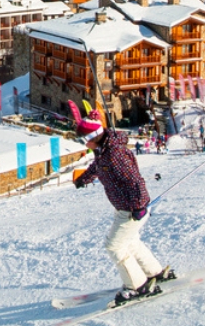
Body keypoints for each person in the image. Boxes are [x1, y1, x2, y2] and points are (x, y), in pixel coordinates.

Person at [70, 102, 173, 306]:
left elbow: (134, 180)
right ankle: (155, 273)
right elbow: (99, 167)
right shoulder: (104, 151)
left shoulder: (115, 154)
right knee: (130, 242)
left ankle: (137, 286)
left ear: (94, 137)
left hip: (132, 208)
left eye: (84, 139)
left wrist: (139, 206)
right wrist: (85, 178)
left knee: (114, 246)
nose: (83, 143)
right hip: (126, 207)